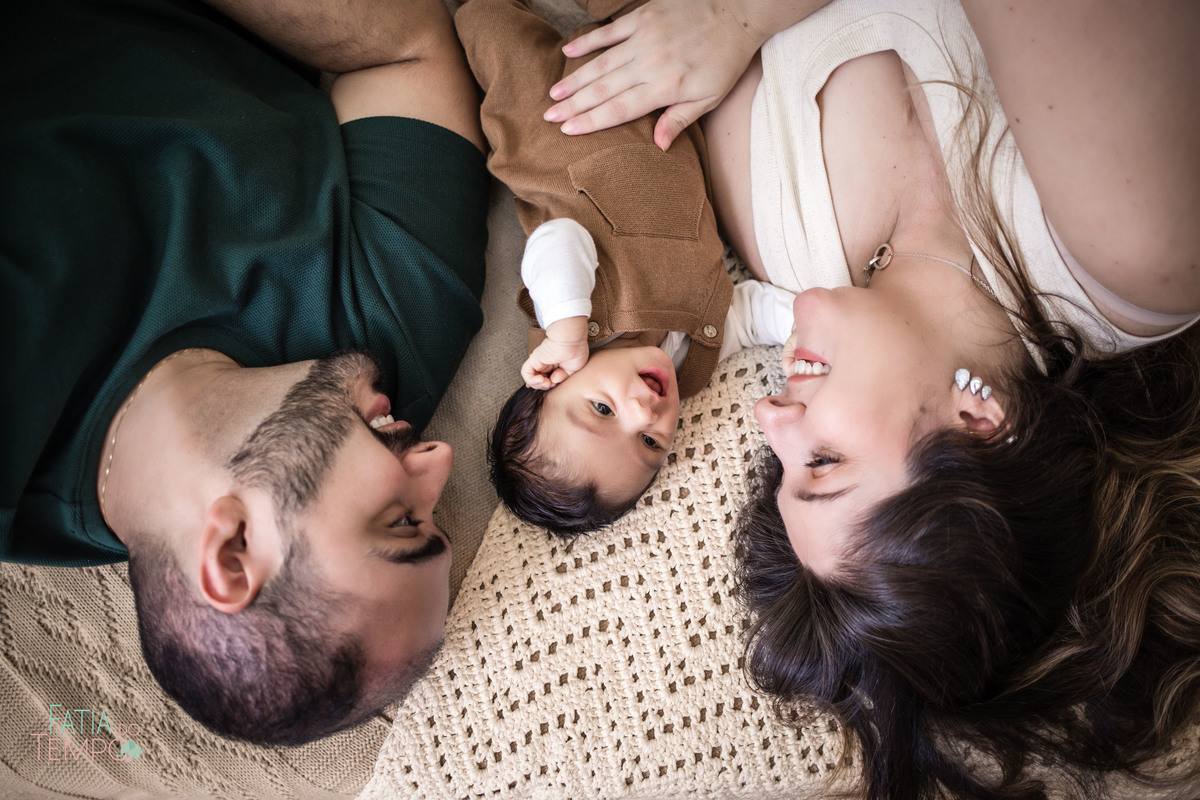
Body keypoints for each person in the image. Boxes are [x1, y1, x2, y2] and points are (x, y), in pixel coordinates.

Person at [542, 0, 1200, 798]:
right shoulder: (1138, 253)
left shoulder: (780, 237)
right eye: (823, 461)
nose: (770, 418)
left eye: (781, 468)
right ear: (979, 428)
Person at [0, 0, 489, 746]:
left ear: (232, 549)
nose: (437, 459)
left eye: (401, 521)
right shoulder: (386, 345)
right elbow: (407, 49)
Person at [456, 0, 794, 536]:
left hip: (552, 125)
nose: (644, 412)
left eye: (603, 411)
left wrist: (566, 332)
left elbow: (558, 240)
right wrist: (799, 325)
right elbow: (746, 315)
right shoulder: (691, 359)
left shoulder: (577, 320)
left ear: (549, 379)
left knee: (495, 37)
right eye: (650, 444)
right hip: (661, 111)